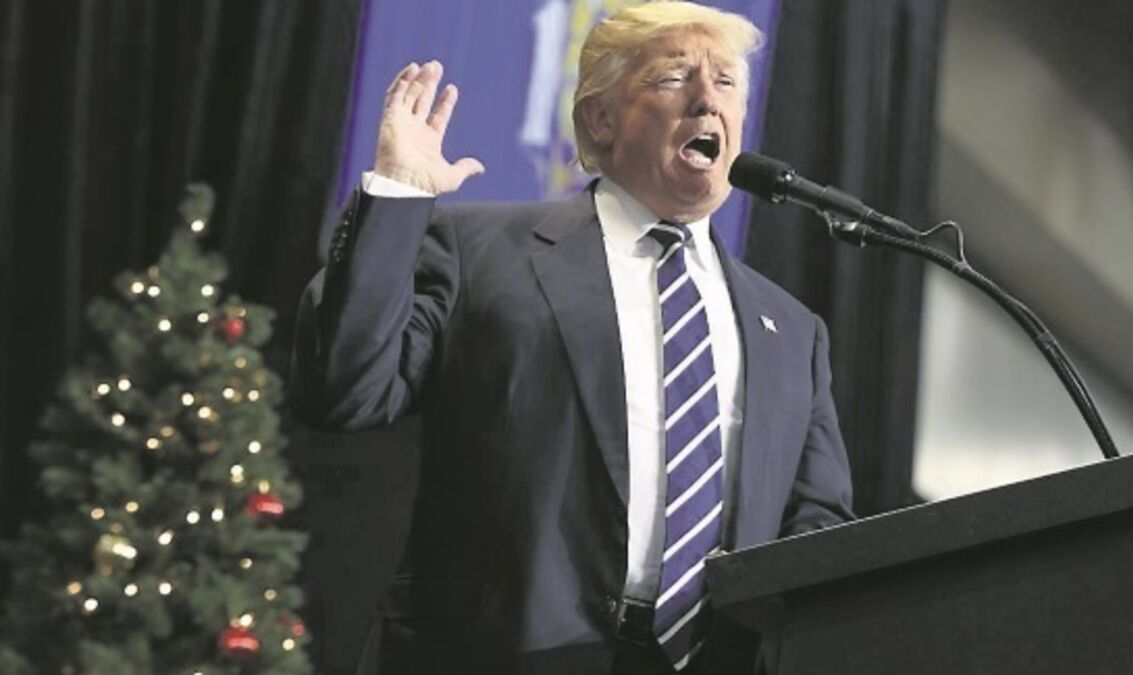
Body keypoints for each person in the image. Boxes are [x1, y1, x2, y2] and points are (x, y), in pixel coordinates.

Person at [291, 3, 854, 673]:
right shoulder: (479, 251)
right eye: (675, 76)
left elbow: (818, 532)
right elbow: (344, 388)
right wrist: (398, 195)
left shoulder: (792, 331)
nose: (709, 99)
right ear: (601, 119)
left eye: (727, 82)